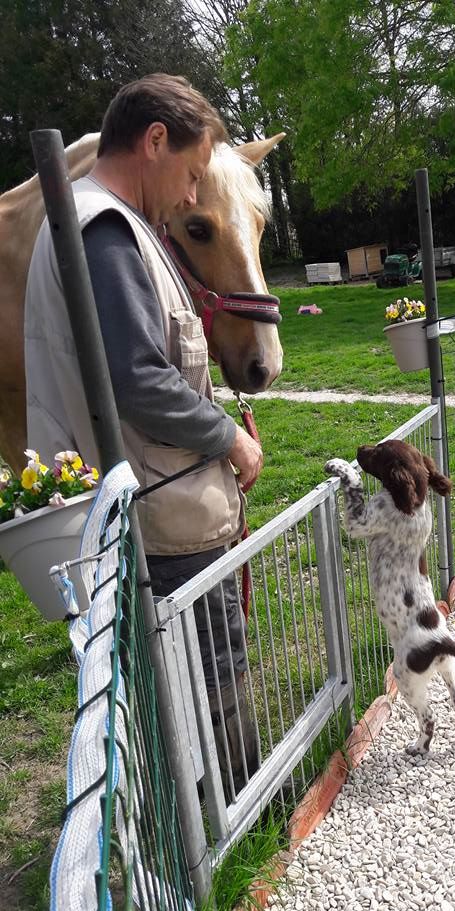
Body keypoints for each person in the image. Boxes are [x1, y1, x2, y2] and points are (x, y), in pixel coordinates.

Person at [24, 73, 260, 795]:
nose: (192, 196)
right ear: (154, 142)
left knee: (180, 686)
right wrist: (229, 437)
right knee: (216, 678)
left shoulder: (102, 224)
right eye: (192, 174)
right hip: (166, 523)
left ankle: (199, 815)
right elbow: (141, 379)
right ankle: (243, 818)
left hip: (157, 509)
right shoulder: (109, 230)